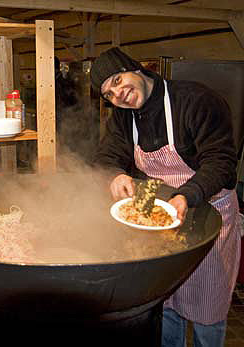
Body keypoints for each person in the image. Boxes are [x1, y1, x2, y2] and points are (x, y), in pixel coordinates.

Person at [90, 47, 241, 347]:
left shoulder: (195, 101)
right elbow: (106, 155)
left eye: (118, 81)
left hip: (208, 210)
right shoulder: (124, 117)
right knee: (167, 301)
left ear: (137, 69)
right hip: (158, 215)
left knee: (207, 308)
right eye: (109, 93)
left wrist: (187, 195)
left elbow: (221, 162)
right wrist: (115, 174)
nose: (118, 95)